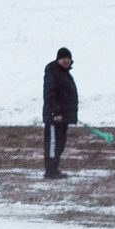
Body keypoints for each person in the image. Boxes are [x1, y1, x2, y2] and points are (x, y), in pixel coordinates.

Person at [42, 47, 78, 179]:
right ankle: (50, 171)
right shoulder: (52, 73)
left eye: (68, 58)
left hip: (63, 117)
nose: (66, 61)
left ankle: (55, 169)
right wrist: (55, 113)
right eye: (63, 58)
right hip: (55, 117)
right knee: (52, 145)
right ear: (58, 59)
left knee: (60, 144)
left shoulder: (65, 74)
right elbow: (50, 94)